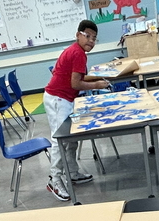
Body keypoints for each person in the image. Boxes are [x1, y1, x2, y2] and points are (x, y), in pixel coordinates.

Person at [42, 20, 110, 201]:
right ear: (78, 35)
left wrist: (97, 77)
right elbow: (75, 83)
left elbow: (77, 76)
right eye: (87, 36)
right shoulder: (78, 53)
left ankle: (72, 173)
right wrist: (97, 84)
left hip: (62, 98)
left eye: (94, 39)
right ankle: (54, 180)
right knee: (59, 140)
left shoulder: (75, 51)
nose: (91, 41)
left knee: (71, 139)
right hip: (58, 99)